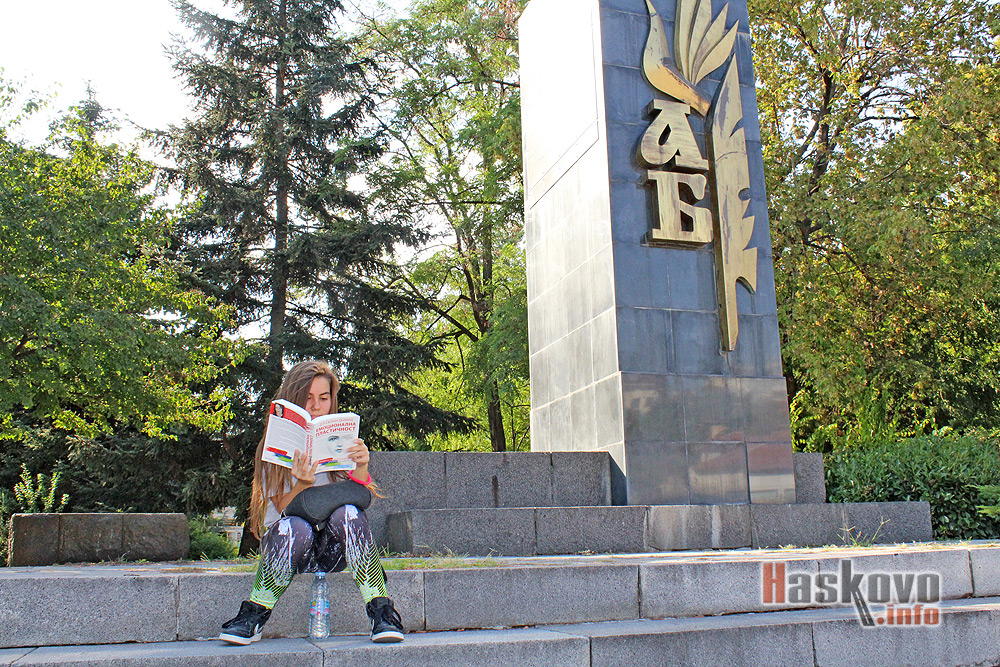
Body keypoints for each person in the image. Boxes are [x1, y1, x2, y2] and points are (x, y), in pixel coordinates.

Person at [219, 360, 404, 645]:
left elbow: (358, 495)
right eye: (308, 398)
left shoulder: (339, 438)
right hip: (289, 546)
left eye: (324, 398)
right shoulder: (273, 447)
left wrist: (361, 466)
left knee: (348, 512)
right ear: (293, 397)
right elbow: (278, 512)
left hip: (332, 549)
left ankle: (381, 612)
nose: (316, 406)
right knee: (294, 526)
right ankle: (253, 614)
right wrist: (302, 484)